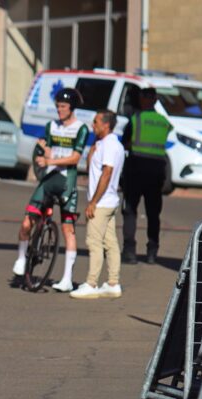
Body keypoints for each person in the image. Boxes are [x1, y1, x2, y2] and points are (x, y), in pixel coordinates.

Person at [12, 88, 89, 293]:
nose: (59, 110)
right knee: (27, 221)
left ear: (72, 108)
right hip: (49, 178)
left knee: (67, 229)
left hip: (67, 181)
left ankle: (67, 278)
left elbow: (74, 158)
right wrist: (41, 154)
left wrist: (50, 159)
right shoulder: (51, 126)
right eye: (57, 107)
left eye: (63, 107)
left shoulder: (81, 128)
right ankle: (21, 259)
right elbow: (48, 150)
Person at [70, 109, 125, 300]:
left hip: (102, 202)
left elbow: (107, 173)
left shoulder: (109, 145)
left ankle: (91, 283)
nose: (92, 125)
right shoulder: (105, 144)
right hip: (109, 201)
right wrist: (92, 151)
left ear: (106, 125)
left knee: (93, 242)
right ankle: (112, 283)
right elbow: (91, 170)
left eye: (96, 122)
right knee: (110, 242)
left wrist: (93, 202)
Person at [121, 87, 172, 264]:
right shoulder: (163, 121)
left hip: (135, 169)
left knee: (130, 211)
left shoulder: (135, 119)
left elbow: (125, 143)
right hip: (156, 171)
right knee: (153, 213)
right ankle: (152, 251)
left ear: (142, 99)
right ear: (156, 100)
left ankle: (129, 251)